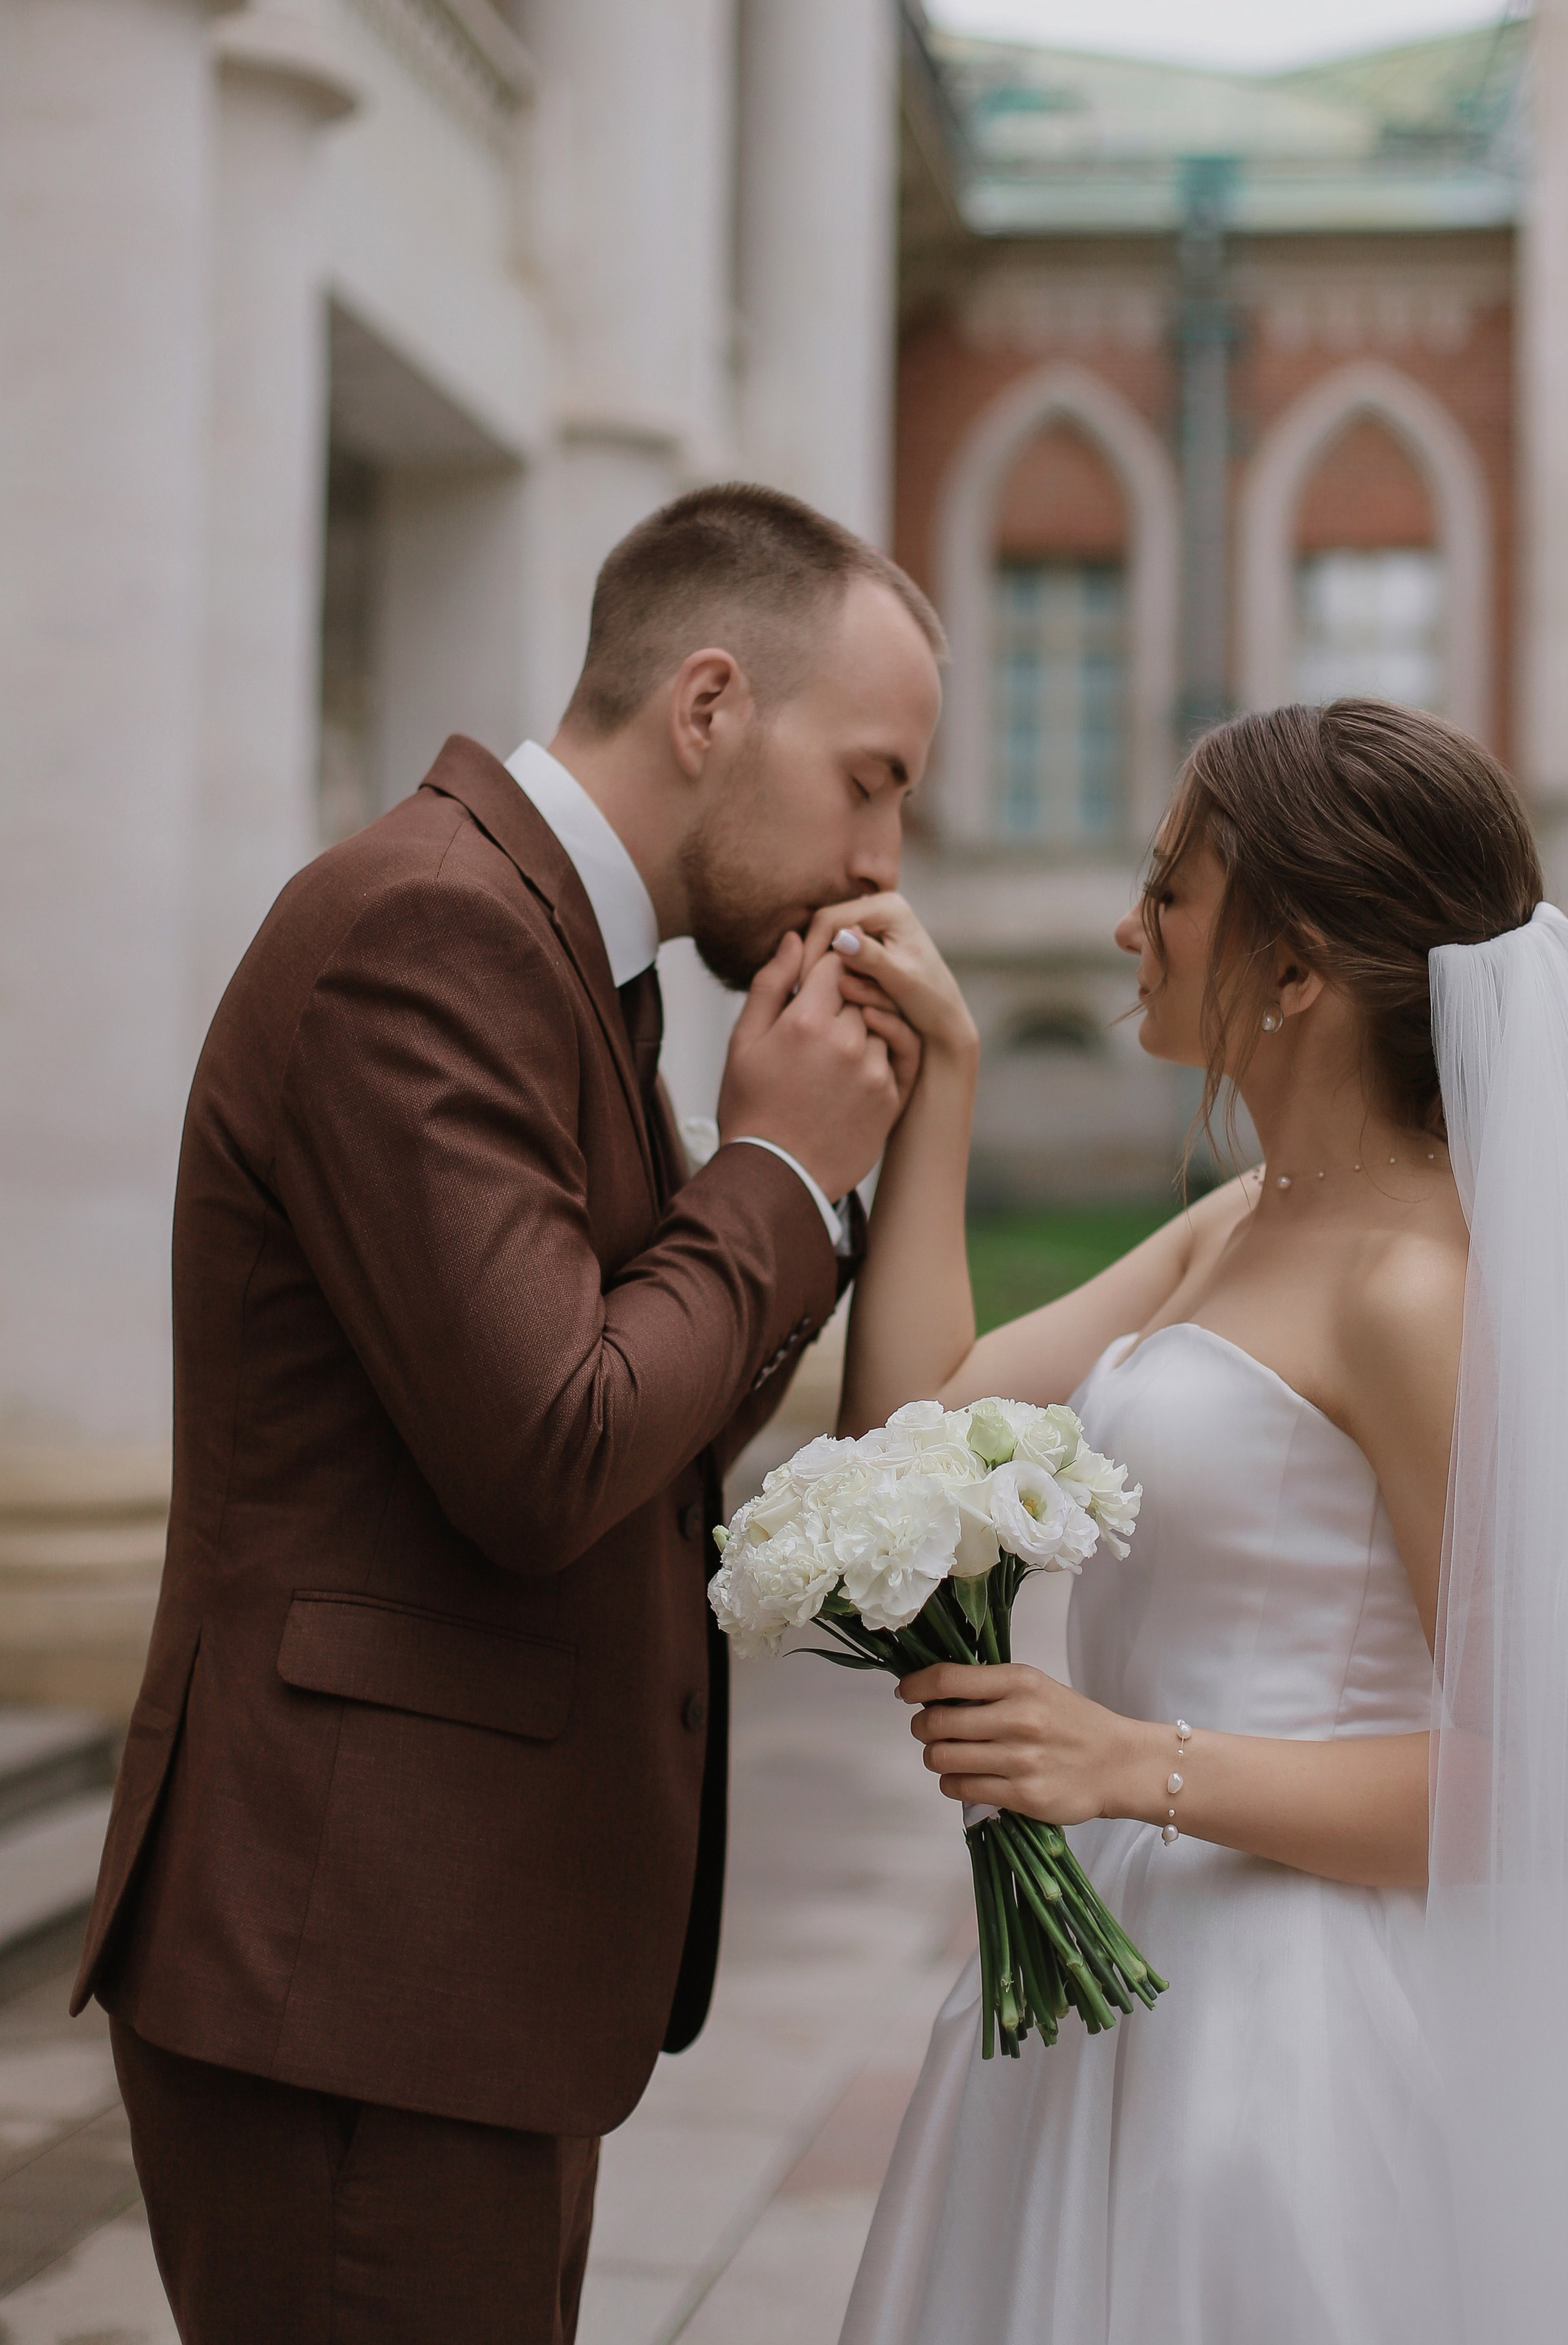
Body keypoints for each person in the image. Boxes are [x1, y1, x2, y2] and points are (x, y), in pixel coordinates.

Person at [73, 484, 941, 2345]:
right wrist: (781, 1168)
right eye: (871, 780)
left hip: (453, 1970)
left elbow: (651, 1421)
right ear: (710, 706)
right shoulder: (431, 929)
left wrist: (795, 1181)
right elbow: (553, 1447)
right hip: (359, 1972)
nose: (883, 865)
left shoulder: (566, 958)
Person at [810, 699, 1568, 2344]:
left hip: (1296, 2031)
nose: (1128, 926)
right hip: (1119, 1959)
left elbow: (1551, 1782)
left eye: (1169, 895)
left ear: (1299, 971)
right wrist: (940, 1086)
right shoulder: (1239, 1217)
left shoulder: (1416, 1294)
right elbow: (915, 1423)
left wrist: (1129, 1764)